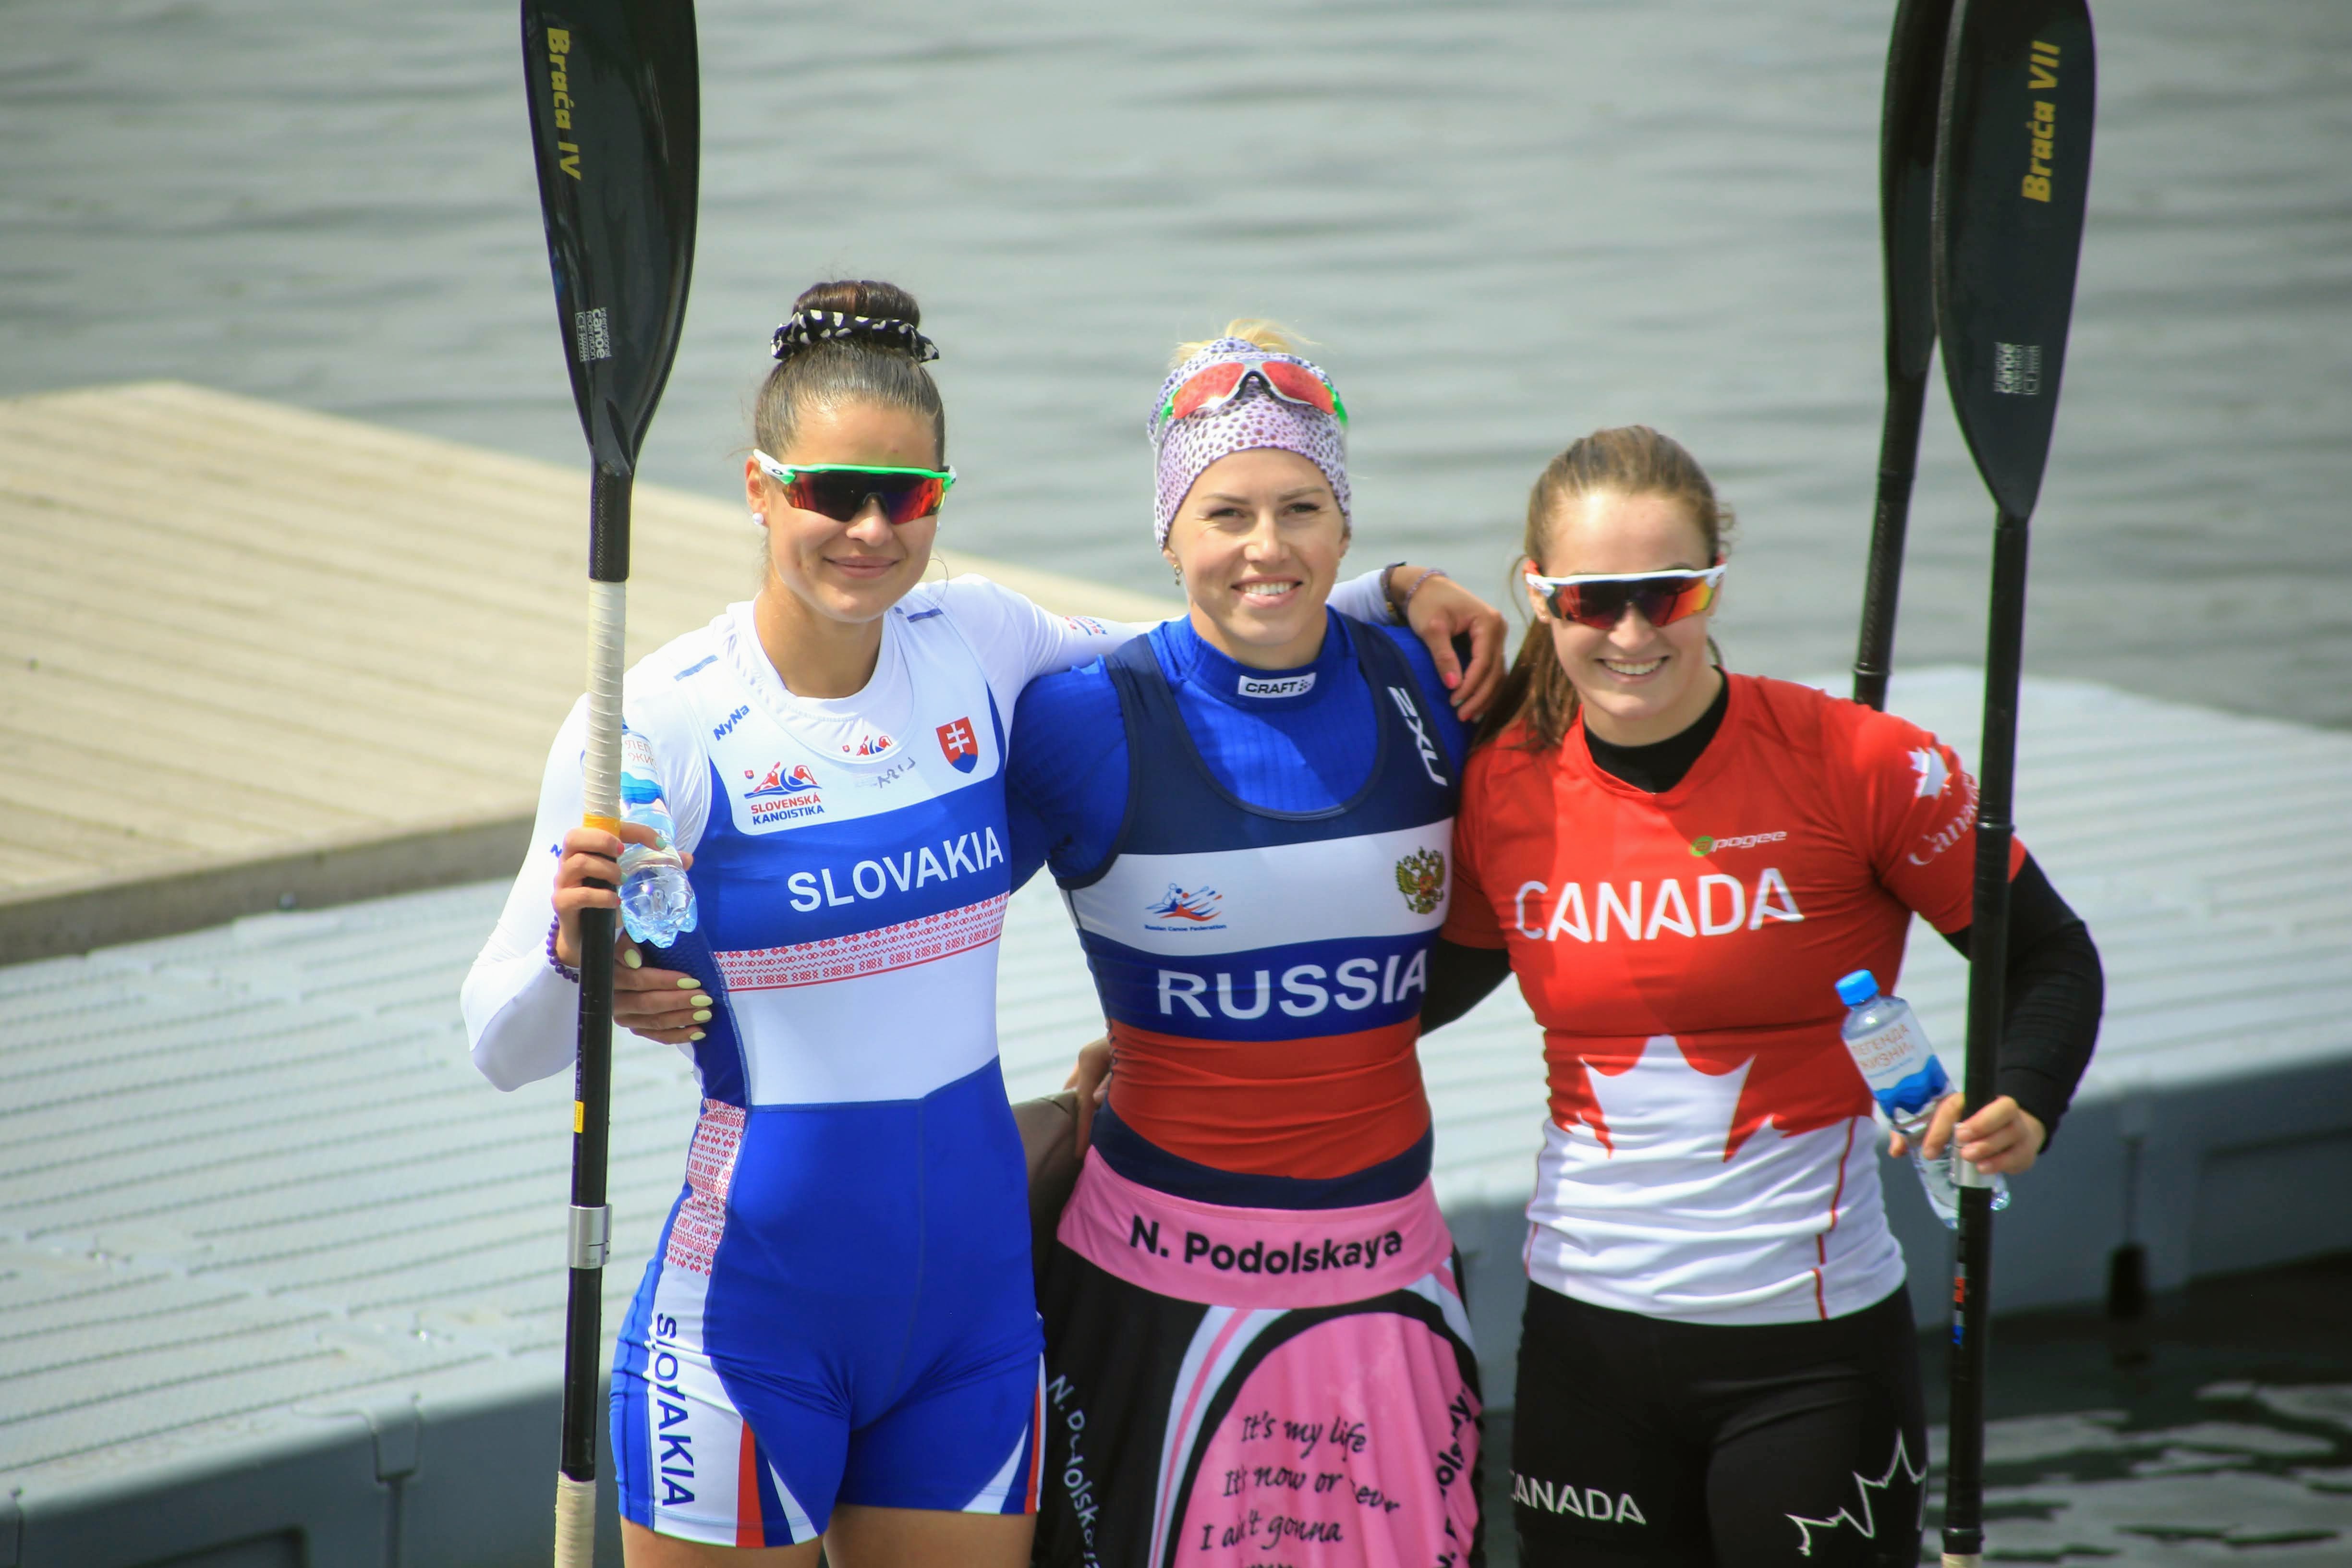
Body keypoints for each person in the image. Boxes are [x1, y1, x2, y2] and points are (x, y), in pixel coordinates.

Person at [460, 281, 1504, 1568]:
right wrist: (576, 965)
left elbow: (1205, 643)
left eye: (906, 495)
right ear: (758, 487)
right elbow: (501, 1044)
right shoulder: (652, 723)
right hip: (752, 1323)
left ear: (939, 499)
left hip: (971, 1333)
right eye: (832, 491)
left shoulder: (981, 641)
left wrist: (1389, 594)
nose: (868, 529)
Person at [1422, 425, 2104, 1568]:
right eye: (1592, 601)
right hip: (1584, 1343)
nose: (1631, 633)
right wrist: (1165, 1045)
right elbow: (1407, 996)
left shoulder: (1861, 763)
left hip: (1811, 1356)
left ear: (1713, 586)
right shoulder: (1502, 784)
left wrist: (2022, 1095)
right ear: (1540, 597)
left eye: (1667, 594)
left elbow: (2049, 956)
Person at [1013, 325, 1491, 1568]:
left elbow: (1507, 920)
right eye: (1225, 513)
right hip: (1154, 1292)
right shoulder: (1079, 720)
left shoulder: (1435, 680)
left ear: (1345, 528)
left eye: (1301, 509)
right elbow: (914, 926)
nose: (1266, 546)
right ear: (1168, 533)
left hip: (1385, 1279)